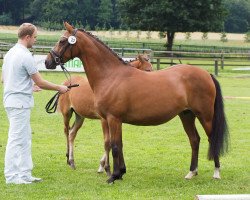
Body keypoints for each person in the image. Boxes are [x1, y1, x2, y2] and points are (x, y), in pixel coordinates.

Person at [1, 23, 69, 184]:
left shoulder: (10, 53)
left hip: (14, 101)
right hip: (19, 103)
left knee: (24, 139)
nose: (36, 40)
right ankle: (12, 176)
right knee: (16, 139)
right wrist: (59, 87)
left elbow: (5, 78)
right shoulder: (25, 55)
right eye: (35, 37)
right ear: (27, 37)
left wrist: (29, 87)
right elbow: (41, 81)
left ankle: (25, 173)